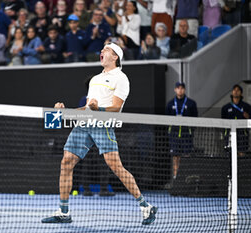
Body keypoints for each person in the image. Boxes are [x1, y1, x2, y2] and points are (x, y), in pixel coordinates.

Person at [41, 42, 158, 225]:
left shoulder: (121, 78)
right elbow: (87, 108)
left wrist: (99, 108)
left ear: (115, 56)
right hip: (85, 123)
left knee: (116, 167)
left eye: (106, 50)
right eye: (102, 49)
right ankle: (63, 212)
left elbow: (117, 108)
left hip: (103, 124)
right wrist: (64, 112)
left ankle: (145, 206)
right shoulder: (95, 78)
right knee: (66, 162)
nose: (102, 52)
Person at [165, 82, 197, 188]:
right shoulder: (170, 104)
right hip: (174, 135)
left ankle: (187, 180)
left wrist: (190, 130)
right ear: (175, 90)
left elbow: (196, 119)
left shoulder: (191, 103)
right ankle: (176, 180)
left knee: (186, 157)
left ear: (184, 90)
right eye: (178, 88)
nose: (180, 90)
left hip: (186, 135)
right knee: (175, 157)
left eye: (182, 88)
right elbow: (166, 119)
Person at [221, 84, 251, 156]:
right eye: (234, 90)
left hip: (242, 135)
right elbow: (222, 122)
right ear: (232, 92)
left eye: (238, 90)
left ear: (241, 93)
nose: (236, 92)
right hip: (230, 134)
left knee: (241, 153)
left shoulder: (246, 106)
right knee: (230, 154)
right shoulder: (226, 107)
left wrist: (248, 116)